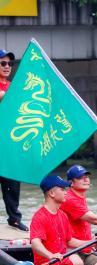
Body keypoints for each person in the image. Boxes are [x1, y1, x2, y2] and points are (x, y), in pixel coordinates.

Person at [30, 175, 97, 265]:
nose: (66, 192)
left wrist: (91, 243)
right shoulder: (39, 216)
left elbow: (70, 241)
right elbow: (35, 243)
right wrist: (50, 255)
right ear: (51, 193)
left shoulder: (63, 215)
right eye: (62, 189)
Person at [0, 49, 27, 232]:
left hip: (10, 142)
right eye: (3, 63)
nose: (7, 66)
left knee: (12, 181)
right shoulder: (10, 90)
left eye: (10, 63)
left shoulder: (12, 86)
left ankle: (14, 218)